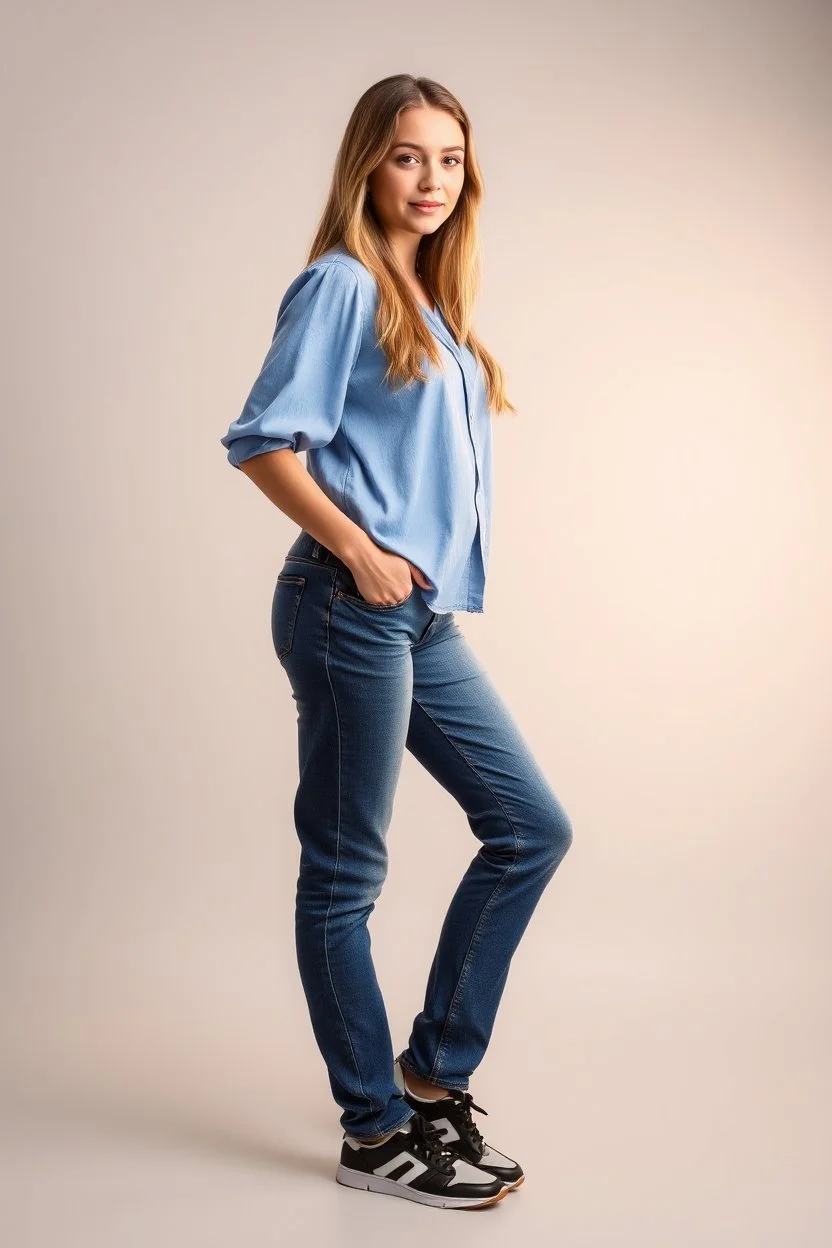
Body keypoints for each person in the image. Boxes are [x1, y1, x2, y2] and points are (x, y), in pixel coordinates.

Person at [220, 73, 573, 1210]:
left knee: (528, 827)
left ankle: (431, 1076)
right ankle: (373, 1132)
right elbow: (263, 440)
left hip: (419, 617)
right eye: (408, 156)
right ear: (367, 163)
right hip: (343, 605)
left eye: (450, 159)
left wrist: (404, 578)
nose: (430, 180)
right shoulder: (338, 285)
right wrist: (360, 551)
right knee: (346, 876)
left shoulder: (428, 296)